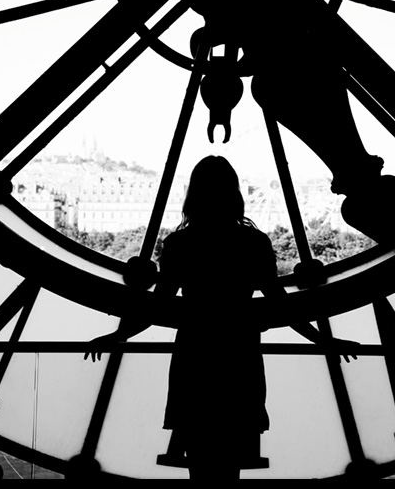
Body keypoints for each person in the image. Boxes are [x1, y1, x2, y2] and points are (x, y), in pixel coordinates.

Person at [86, 156, 359, 479]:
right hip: (240, 354)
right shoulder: (253, 243)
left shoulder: (179, 244)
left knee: (200, 458)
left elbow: (157, 308)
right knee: (231, 462)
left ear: (193, 195)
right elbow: (281, 305)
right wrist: (325, 340)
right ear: (234, 193)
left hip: (195, 355)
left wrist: (116, 336)